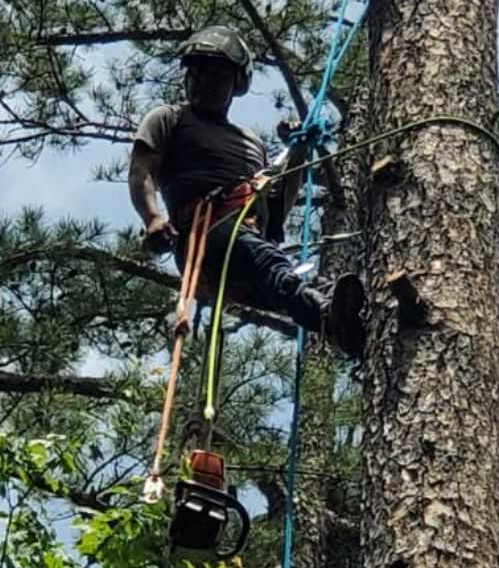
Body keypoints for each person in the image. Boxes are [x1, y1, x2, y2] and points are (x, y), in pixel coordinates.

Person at [129, 25, 365, 357]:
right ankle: (328, 316)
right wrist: (153, 217)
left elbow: (275, 210)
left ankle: (357, 330)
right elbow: (142, 169)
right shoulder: (169, 118)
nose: (202, 82)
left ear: (235, 84)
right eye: (196, 74)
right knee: (273, 266)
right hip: (207, 234)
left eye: (215, 76)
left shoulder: (251, 144)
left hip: (247, 242)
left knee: (292, 280)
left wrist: (297, 152)